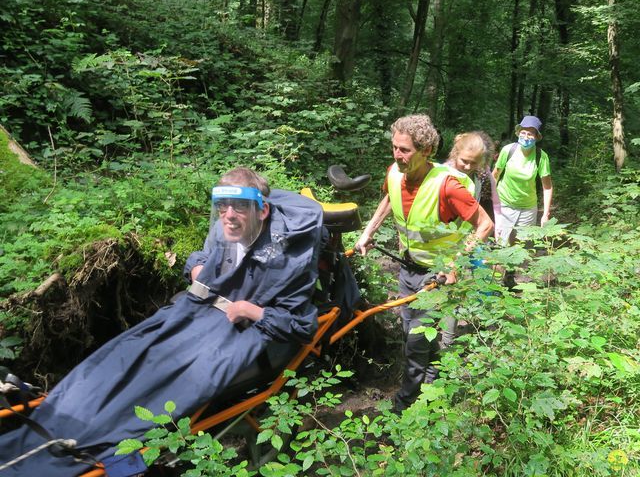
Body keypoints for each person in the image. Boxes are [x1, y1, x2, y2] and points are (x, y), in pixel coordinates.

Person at [0, 167, 323, 476]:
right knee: (118, 358)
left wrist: (252, 310)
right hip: (192, 315)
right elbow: (203, 257)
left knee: (158, 383)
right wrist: (196, 267)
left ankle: (87, 445)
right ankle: (54, 422)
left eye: (238, 206)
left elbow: (302, 326)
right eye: (221, 206)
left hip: (237, 335)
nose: (227, 215)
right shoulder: (227, 226)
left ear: (262, 211)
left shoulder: (288, 256)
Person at [355, 115, 493, 412]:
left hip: (436, 276)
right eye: (395, 148)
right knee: (410, 330)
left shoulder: (448, 186)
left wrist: (454, 263)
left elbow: (485, 225)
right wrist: (369, 232)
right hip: (407, 267)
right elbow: (390, 199)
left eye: (405, 150)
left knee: (416, 341)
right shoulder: (394, 172)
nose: (397, 155)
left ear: (426, 151)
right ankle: (433, 380)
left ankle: (406, 403)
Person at [492, 116, 553, 246]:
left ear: (537, 137)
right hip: (504, 204)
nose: (525, 137)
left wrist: (545, 214)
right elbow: (494, 176)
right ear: (518, 133)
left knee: (522, 248)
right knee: (500, 246)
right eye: (523, 133)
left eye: (530, 134)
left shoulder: (541, 157)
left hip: (528, 209)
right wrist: (491, 202)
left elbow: (547, 187)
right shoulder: (508, 150)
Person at [445, 131, 501, 230]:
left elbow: (494, 203)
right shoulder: (444, 174)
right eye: (464, 161)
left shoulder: (482, 175)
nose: (468, 167)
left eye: (474, 163)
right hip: (444, 231)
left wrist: (497, 227)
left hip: (468, 232)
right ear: (455, 154)